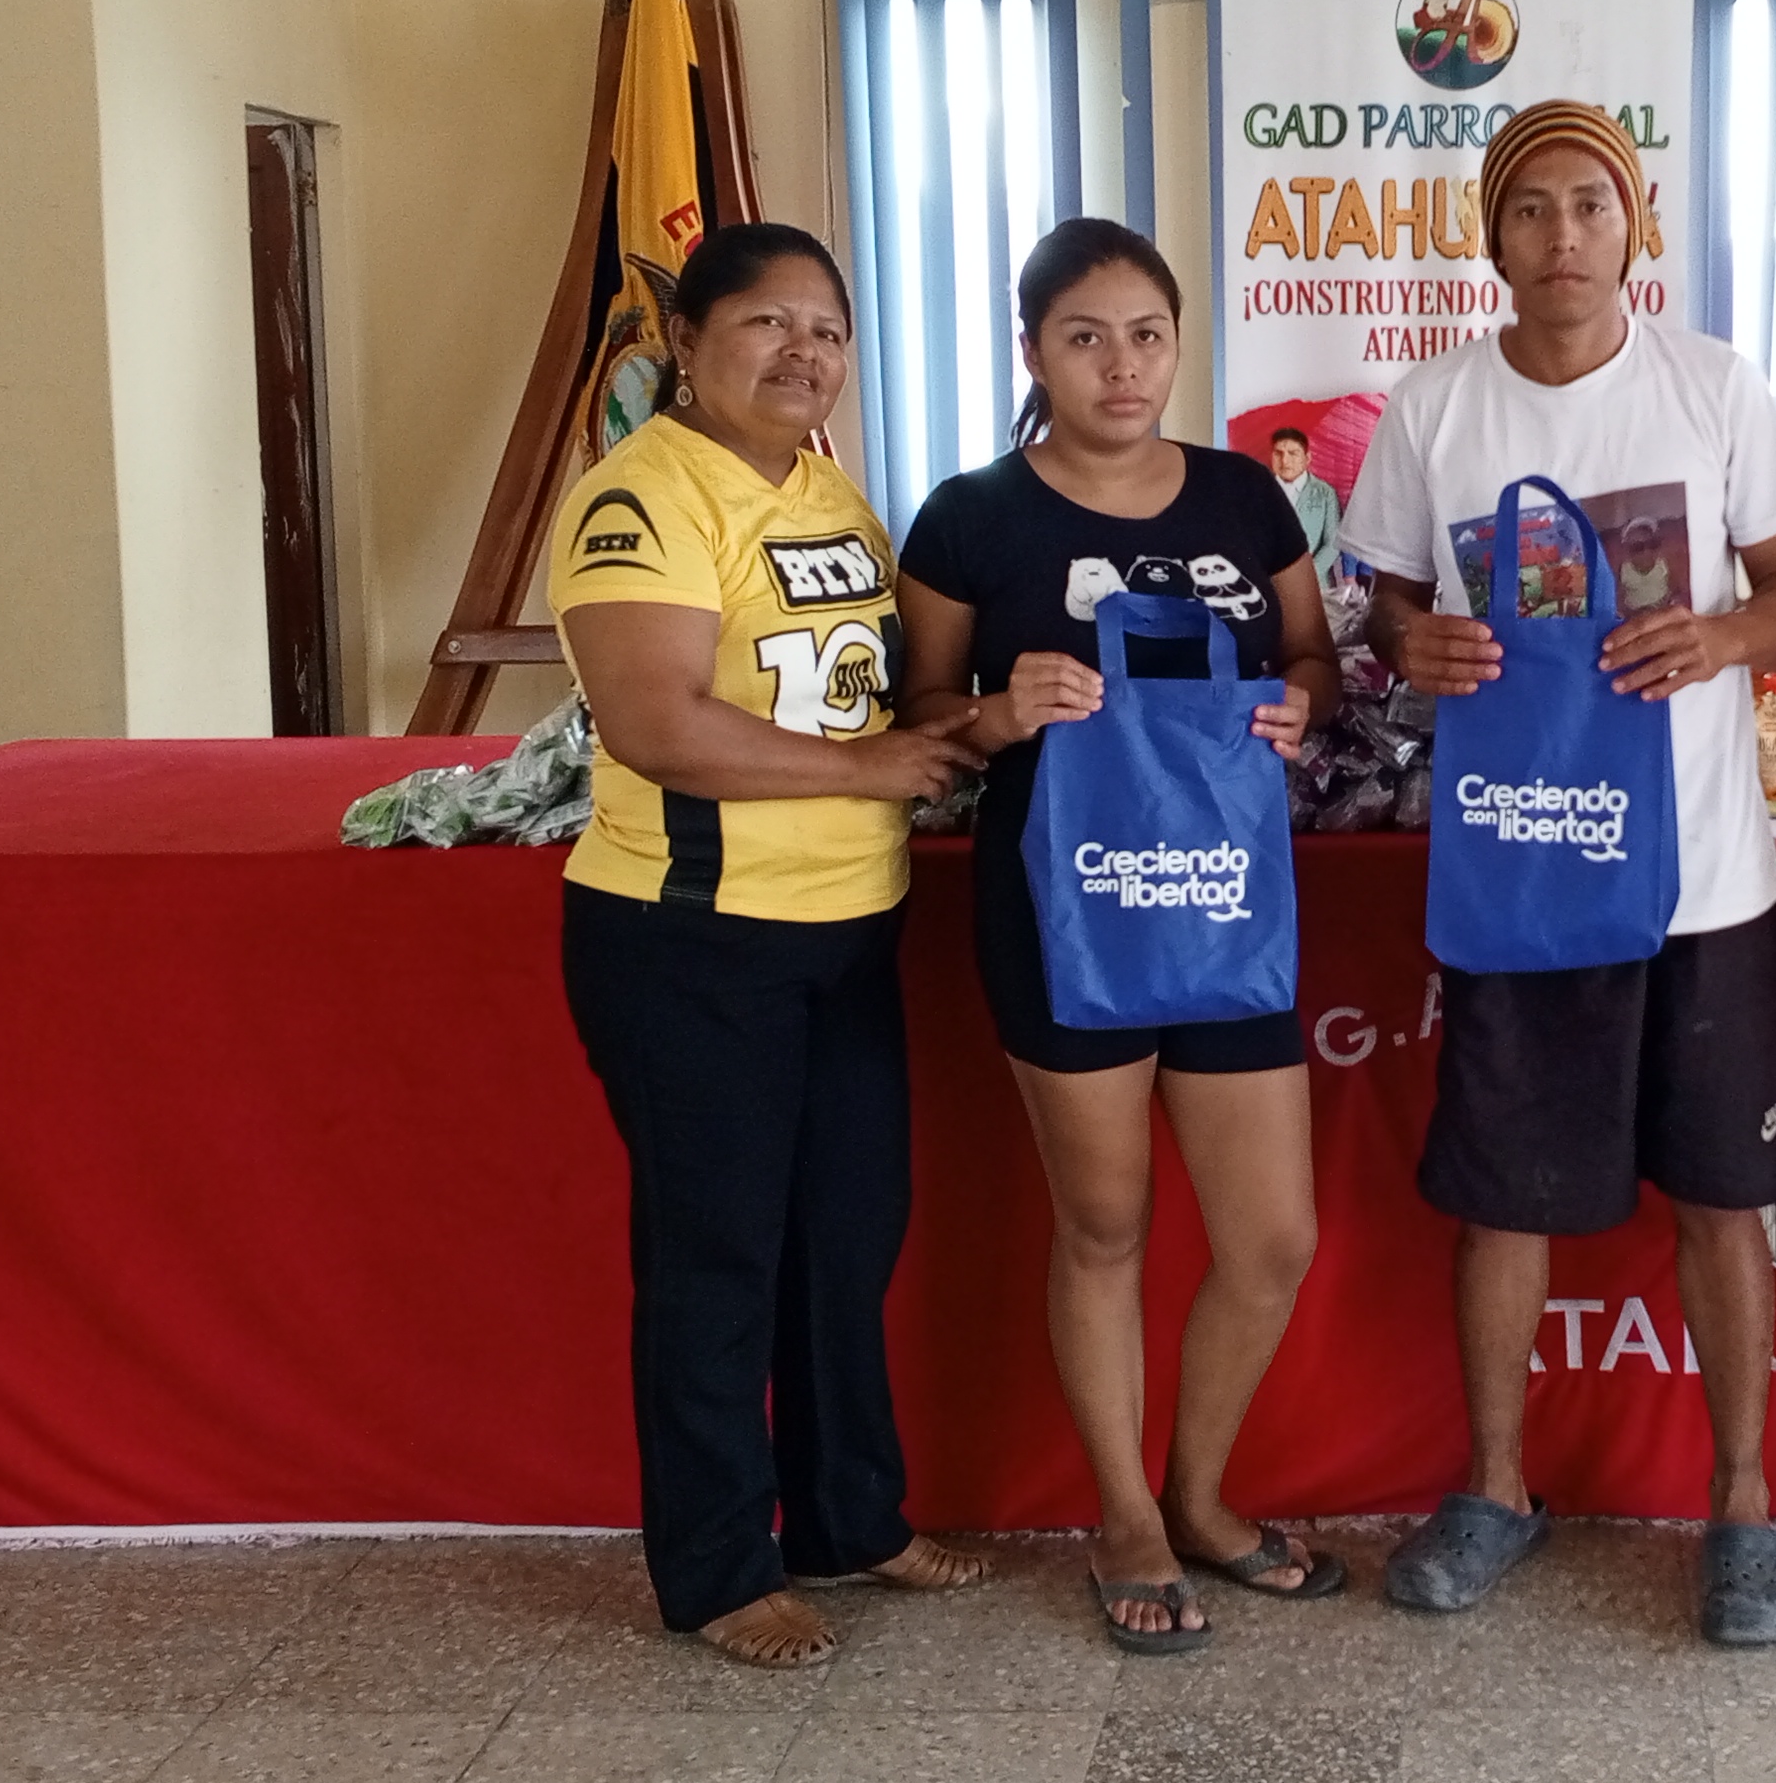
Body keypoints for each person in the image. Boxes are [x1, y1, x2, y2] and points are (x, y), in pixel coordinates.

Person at [1347, 99, 1776, 1647]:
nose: (1564, 236)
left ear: (1636, 229)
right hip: (1525, 868)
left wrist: (1724, 634)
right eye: (1532, 209)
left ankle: (1743, 1509)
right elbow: (1381, 611)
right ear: (1491, 237)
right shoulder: (1435, 407)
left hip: (1703, 880)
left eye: (1592, 206)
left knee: (1725, 1197)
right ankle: (1495, 1488)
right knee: (1505, 1198)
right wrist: (1414, 643)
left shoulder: (1713, 386)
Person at [898, 219, 1346, 1653]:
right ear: (1033, 351)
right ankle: (1126, 1517)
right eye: (1084, 338)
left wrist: (1305, 704)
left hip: (1220, 904)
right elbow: (920, 721)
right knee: (1104, 1225)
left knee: (1271, 1238)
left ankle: (1201, 1496)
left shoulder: (1243, 498)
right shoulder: (969, 517)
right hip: (1062, 908)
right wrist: (996, 712)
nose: (1121, 366)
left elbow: (1313, 657)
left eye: (1147, 335)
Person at [548, 221, 989, 1669]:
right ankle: (719, 1568)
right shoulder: (642, 497)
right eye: (767, 323)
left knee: (843, 1240)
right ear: (687, 343)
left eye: (828, 331)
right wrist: (870, 771)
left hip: (848, 931)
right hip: (693, 939)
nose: (805, 353)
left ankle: (848, 1518)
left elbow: (868, 700)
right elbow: (657, 723)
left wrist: (974, 726)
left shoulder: (829, 492)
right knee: (717, 1257)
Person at [1267, 423, 1344, 577]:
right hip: (1268, 582)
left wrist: (1306, 577)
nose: (1285, 461)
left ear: (1307, 458)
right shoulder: (1260, 491)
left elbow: (1333, 544)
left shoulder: (1325, 493)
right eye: (1278, 453)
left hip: (1314, 582)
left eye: (1293, 453)